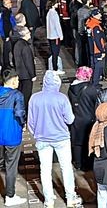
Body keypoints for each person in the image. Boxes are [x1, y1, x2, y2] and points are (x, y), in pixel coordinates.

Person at [28, 71, 82, 208]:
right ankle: (70, 198)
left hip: (42, 139)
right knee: (66, 168)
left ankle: (48, 200)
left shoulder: (34, 98)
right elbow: (70, 120)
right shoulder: (61, 98)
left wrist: (36, 134)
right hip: (61, 138)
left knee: (45, 169)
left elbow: (31, 122)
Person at [0, 69, 27, 206]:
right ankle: (10, 196)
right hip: (12, 135)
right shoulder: (17, 95)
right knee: (11, 166)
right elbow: (19, 113)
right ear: (14, 80)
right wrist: (23, 124)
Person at [13, 26, 35, 110]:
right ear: (25, 34)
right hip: (27, 75)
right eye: (28, 33)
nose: (30, 34)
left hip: (19, 73)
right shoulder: (26, 46)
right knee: (26, 95)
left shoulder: (17, 44)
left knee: (20, 92)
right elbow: (28, 62)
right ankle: (24, 112)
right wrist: (33, 75)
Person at [45, 0, 63, 71]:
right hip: (55, 36)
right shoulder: (54, 13)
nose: (57, 4)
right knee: (56, 53)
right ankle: (55, 68)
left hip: (50, 35)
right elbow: (57, 25)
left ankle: (53, 67)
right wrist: (60, 35)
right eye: (56, 3)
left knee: (53, 52)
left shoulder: (49, 13)